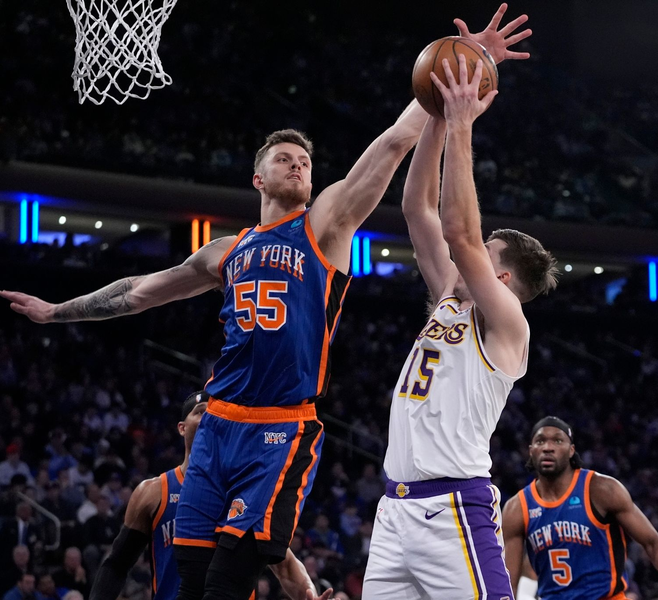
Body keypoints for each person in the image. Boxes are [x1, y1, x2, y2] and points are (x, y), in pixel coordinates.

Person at [0, 5, 529, 599]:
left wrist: (455, 70)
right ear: (258, 179)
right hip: (218, 421)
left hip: (280, 424)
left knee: (233, 576)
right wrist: (56, 311)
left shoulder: (325, 225)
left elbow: (392, 146)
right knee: (192, 575)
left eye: (305, 161)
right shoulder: (225, 252)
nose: (299, 165)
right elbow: (140, 292)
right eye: (285, 159)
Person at [363, 17, 552, 597]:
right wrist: (440, 116)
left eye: (485, 252)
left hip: (453, 509)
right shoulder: (451, 292)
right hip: (394, 511)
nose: (469, 252)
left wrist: (465, 122)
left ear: (499, 274)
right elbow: (417, 206)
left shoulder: (507, 324)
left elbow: (459, 231)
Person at [90, 391, 331, 600]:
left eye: (217, 412)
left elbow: (285, 565)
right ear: (182, 428)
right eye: (201, 411)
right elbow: (117, 564)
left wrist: (308, 592)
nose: (211, 417)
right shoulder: (154, 492)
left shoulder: (250, 492)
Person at [502, 417, 658, 600]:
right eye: (540, 441)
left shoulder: (601, 489)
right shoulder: (517, 508)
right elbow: (507, 580)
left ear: (571, 450)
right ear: (531, 450)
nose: (548, 447)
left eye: (557, 441)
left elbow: (652, 542)